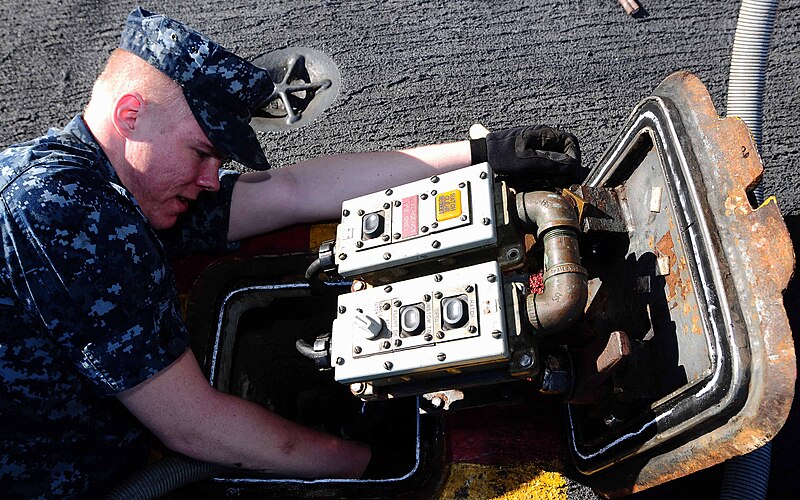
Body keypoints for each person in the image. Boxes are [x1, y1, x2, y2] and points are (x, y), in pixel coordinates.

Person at [0, 7, 582, 498]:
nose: (211, 177)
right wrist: (369, 467)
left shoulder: (107, 181)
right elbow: (195, 430)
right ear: (131, 117)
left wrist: (482, 153)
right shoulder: (62, 208)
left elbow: (288, 191)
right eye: (203, 151)